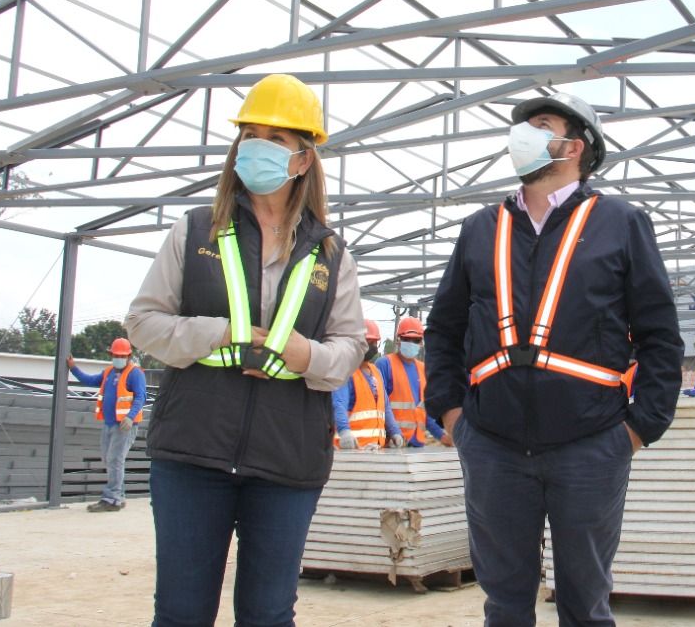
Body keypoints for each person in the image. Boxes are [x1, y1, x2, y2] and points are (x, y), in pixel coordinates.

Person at [424, 90, 684, 627]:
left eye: (541, 124)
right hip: (492, 444)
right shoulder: (480, 228)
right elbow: (443, 329)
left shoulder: (620, 222)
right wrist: (452, 414)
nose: (524, 134)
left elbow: (660, 335)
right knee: (505, 605)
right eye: (523, 125)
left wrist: (638, 428)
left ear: (576, 145)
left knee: (586, 605)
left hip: (591, 445)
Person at [125, 73, 367, 627]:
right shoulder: (195, 231)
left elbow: (350, 348)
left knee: (267, 613)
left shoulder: (331, 253)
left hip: (287, 460)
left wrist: (306, 354)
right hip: (193, 453)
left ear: (304, 159)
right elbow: (143, 322)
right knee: (182, 612)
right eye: (251, 134)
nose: (258, 145)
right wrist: (220, 333)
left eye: (277, 138)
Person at [67, 337, 146, 513]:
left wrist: (130, 417)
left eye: (121, 355)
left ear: (128, 356)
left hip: (124, 425)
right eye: (115, 355)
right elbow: (89, 380)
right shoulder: (109, 372)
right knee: (109, 459)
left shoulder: (135, 373)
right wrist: (73, 368)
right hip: (109, 423)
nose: (118, 358)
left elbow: (141, 397)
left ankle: (111, 499)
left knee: (114, 459)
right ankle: (119, 496)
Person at [377, 316, 452, 447]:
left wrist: (443, 436)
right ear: (398, 341)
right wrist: (393, 433)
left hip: (416, 444)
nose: (411, 343)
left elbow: (424, 413)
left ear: (422, 343)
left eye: (416, 340)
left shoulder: (423, 369)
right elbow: (380, 405)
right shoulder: (385, 364)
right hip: (391, 444)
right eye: (406, 339)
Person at [334, 321, 406, 450]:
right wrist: (344, 432)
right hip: (350, 449)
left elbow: (386, 407)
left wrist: (395, 432)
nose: (372, 346)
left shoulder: (375, 372)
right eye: (368, 342)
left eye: (374, 343)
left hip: (374, 449)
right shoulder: (345, 372)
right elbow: (339, 404)